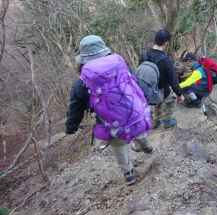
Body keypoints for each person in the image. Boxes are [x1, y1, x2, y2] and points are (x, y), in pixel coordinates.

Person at [65, 35, 153, 186]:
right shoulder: (120, 65)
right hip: (132, 111)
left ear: (83, 59)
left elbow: (76, 108)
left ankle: (129, 174)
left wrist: (71, 127)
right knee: (136, 127)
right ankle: (146, 146)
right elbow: (134, 83)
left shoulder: (81, 83)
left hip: (110, 121)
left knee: (118, 144)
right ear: (105, 50)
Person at [139, 29, 184, 129]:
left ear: (155, 40)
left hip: (148, 92)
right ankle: (167, 121)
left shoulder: (144, 55)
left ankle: (155, 122)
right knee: (171, 98)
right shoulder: (166, 61)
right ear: (166, 43)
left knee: (156, 102)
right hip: (161, 92)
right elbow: (173, 81)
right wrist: (179, 95)